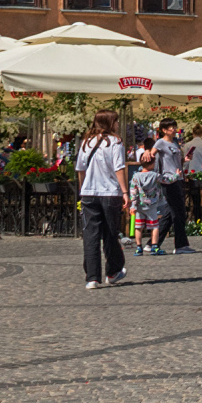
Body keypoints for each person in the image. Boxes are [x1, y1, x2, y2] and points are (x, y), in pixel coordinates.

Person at [73, 111, 130, 290]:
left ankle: (92, 277)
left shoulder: (86, 143)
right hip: (110, 193)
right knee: (110, 233)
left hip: (89, 193)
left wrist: (83, 190)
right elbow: (119, 168)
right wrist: (125, 192)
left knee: (91, 235)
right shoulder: (115, 142)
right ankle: (113, 272)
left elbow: (80, 169)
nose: (118, 125)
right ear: (110, 123)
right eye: (116, 122)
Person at [151, 120, 193, 254]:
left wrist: (184, 160)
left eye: (175, 127)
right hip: (168, 180)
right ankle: (180, 245)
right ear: (163, 130)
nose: (174, 129)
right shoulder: (160, 142)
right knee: (179, 212)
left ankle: (153, 243)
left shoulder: (174, 143)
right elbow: (151, 155)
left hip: (178, 178)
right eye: (171, 127)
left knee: (170, 213)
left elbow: (175, 161)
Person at [130, 148, 169, 254]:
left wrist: (132, 205)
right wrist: (176, 175)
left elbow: (133, 192)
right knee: (155, 226)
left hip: (139, 205)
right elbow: (166, 180)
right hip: (151, 205)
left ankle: (139, 248)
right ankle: (155, 246)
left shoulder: (135, 177)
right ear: (152, 164)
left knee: (138, 227)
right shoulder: (155, 175)